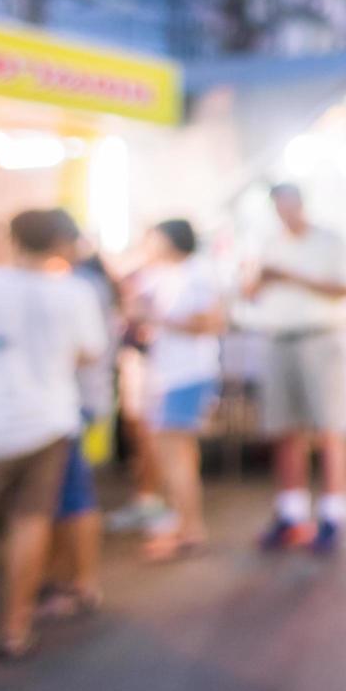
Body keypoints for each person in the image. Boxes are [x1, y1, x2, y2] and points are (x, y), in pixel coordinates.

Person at [0, 210, 107, 661]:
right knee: (31, 520)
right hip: (47, 421)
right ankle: (15, 626)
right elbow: (89, 352)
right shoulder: (75, 293)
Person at [246, 184, 346, 555]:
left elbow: (343, 287)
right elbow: (250, 291)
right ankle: (291, 512)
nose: (284, 213)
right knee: (284, 429)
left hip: (318, 339)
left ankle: (333, 514)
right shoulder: (269, 243)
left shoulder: (328, 242)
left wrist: (293, 277)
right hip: (279, 338)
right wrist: (259, 280)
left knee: (329, 429)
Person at [132, 220, 224, 561]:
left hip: (186, 374)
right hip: (171, 374)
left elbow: (211, 322)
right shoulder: (165, 274)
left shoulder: (195, 274)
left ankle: (189, 527)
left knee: (173, 452)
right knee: (176, 452)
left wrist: (156, 317)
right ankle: (184, 522)